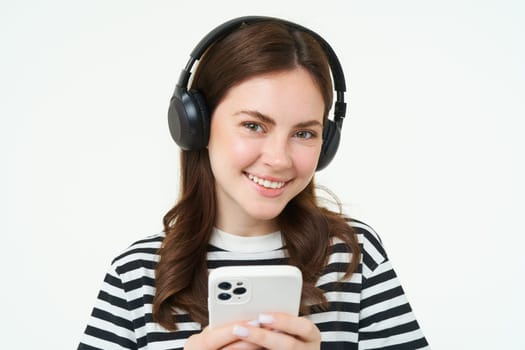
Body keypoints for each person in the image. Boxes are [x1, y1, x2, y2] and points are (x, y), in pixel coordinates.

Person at [78, 16, 430, 350]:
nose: (279, 159)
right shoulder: (137, 274)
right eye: (253, 125)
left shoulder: (354, 256)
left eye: (304, 133)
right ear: (196, 125)